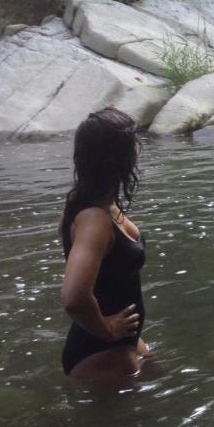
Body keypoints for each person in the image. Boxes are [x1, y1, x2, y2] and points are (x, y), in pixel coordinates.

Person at [59, 108, 152, 387]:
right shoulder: (94, 220)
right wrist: (108, 330)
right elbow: (74, 297)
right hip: (100, 352)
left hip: (119, 346)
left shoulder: (92, 201)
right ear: (119, 158)